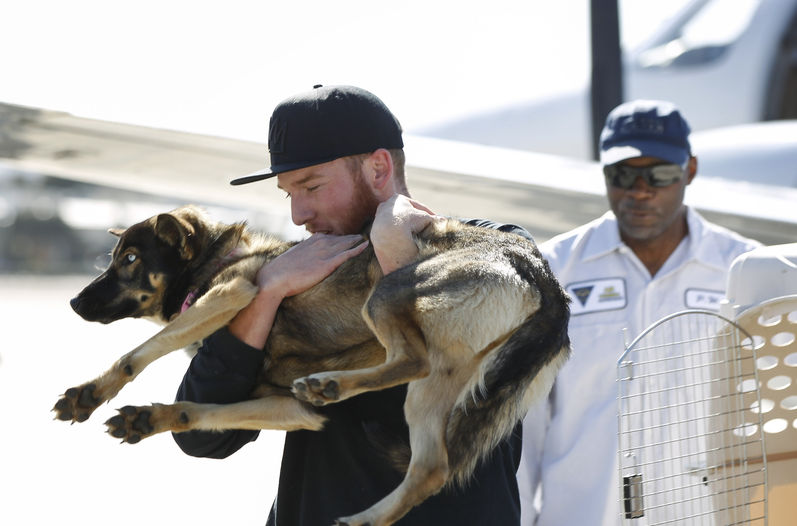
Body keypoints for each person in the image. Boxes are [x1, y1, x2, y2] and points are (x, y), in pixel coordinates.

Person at [173, 84, 531, 525]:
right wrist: (266, 291)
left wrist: (394, 247)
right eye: (289, 193)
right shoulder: (295, 276)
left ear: (379, 168)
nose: (297, 215)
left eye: (312, 186)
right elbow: (203, 437)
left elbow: (456, 354)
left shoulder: (498, 250)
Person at [516, 99, 762, 525]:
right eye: (623, 174)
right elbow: (522, 423)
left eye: (660, 174)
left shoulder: (745, 271)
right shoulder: (551, 269)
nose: (640, 189)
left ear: (690, 171)